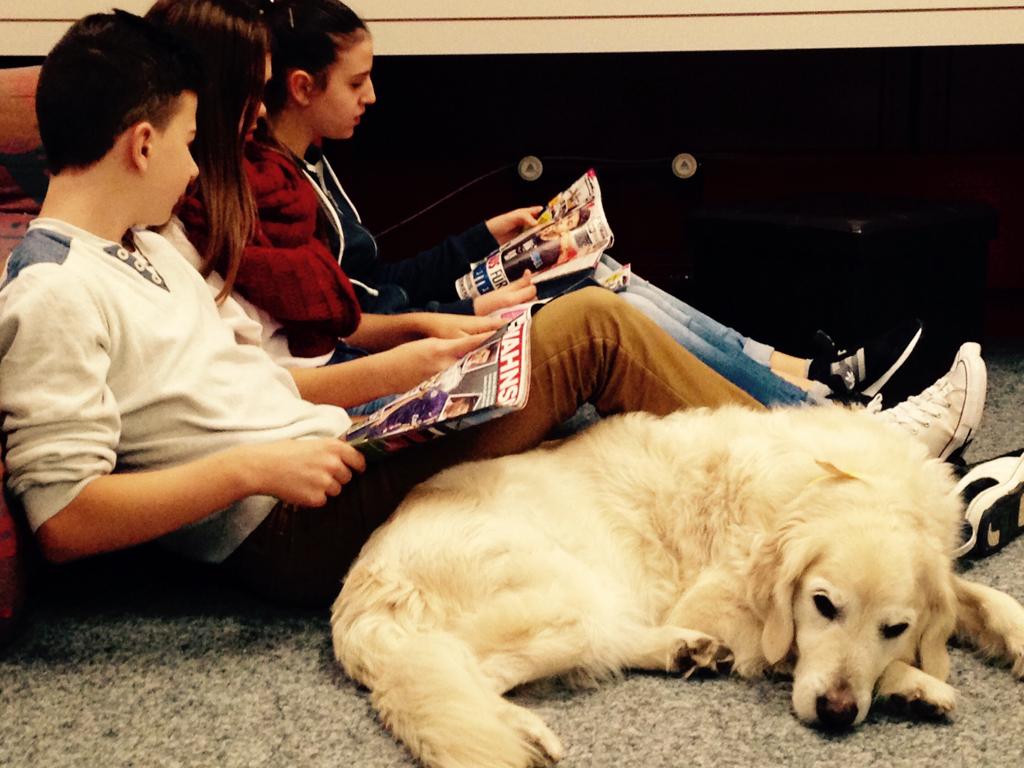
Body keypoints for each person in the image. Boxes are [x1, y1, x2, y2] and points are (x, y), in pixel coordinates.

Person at [0, 9, 778, 609]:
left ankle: (795, 470)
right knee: (593, 331)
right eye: (187, 143)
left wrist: (411, 371)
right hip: (288, 526)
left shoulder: (144, 247)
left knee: (568, 344)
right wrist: (252, 469)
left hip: (330, 448)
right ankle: (805, 475)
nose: (195, 166)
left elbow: (262, 380)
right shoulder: (53, 292)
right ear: (142, 145)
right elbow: (64, 517)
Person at [188, 0, 928, 413]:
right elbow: (356, 317)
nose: (373, 96)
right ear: (300, 88)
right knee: (594, 292)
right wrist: (466, 308)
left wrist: (487, 235)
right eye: (358, 82)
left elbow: (381, 283)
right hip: (403, 344)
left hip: (415, 321)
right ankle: (810, 407)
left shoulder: (308, 166)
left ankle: (801, 375)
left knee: (594, 268)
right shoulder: (269, 191)